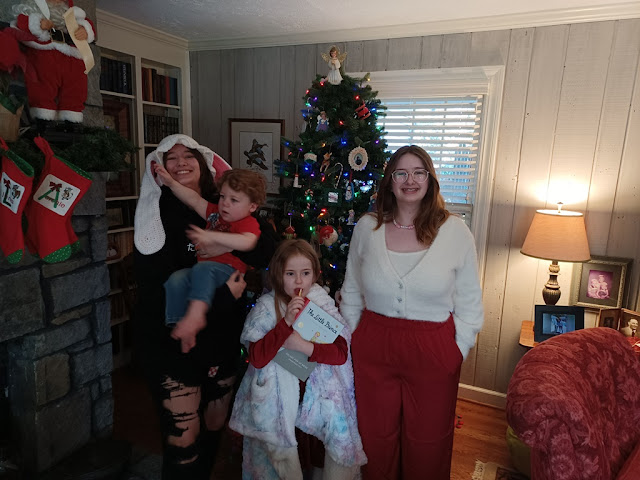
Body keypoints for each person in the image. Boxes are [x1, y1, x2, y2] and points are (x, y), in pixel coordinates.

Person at [133, 134, 276, 479]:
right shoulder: (153, 212)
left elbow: (265, 247)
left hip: (220, 339)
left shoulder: (225, 202)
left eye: (188, 156)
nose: (181, 162)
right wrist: (222, 293)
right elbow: (154, 282)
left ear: (203, 163)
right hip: (172, 341)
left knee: (214, 424)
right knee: (183, 440)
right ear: (160, 167)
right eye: (171, 157)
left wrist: (223, 245)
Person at [340, 145, 484, 479]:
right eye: (401, 173)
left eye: (419, 172)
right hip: (374, 347)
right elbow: (351, 290)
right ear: (389, 182)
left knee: (428, 443)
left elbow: (470, 301)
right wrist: (354, 336)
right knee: (375, 439)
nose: (410, 180)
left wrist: (457, 349)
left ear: (430, 180)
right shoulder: (367, 228)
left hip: (433, 349)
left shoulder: (455, 232)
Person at [229, 239, 366, 480]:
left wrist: (303, 346)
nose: (299, 281)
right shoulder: (266, 308)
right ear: (278, 274)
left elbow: (340, 353)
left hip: (316, 403)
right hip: (281, 407)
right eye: (290, 273)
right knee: (286, 465)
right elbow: (257, 358)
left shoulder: (321, 304)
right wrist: (285, 325)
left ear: (315, 274)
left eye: (305, 273)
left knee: (318, 461)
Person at [153, 164, 265, 353]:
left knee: (202, 269)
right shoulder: (214, 214)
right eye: (222, 196)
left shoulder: (248, 222)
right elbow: (193, 199)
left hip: (228, 273)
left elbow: (248, 242)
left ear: (252, 206)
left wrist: (212, 236)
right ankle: (180, 325)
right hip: (203, 273)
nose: (225, 203)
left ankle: (195, 317)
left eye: (234, 200)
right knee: (176, 279)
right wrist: (171, 183)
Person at [12, 0, 95, 122]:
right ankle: (43, 116)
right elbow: (21, 22)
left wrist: (85, 30)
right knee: (42, 84)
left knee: (76, 86)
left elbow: (88, 26)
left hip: (72, 55)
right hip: (45, 50)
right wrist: (38, 23)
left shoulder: (74, 14)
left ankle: (71, 117)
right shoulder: (33, 9)